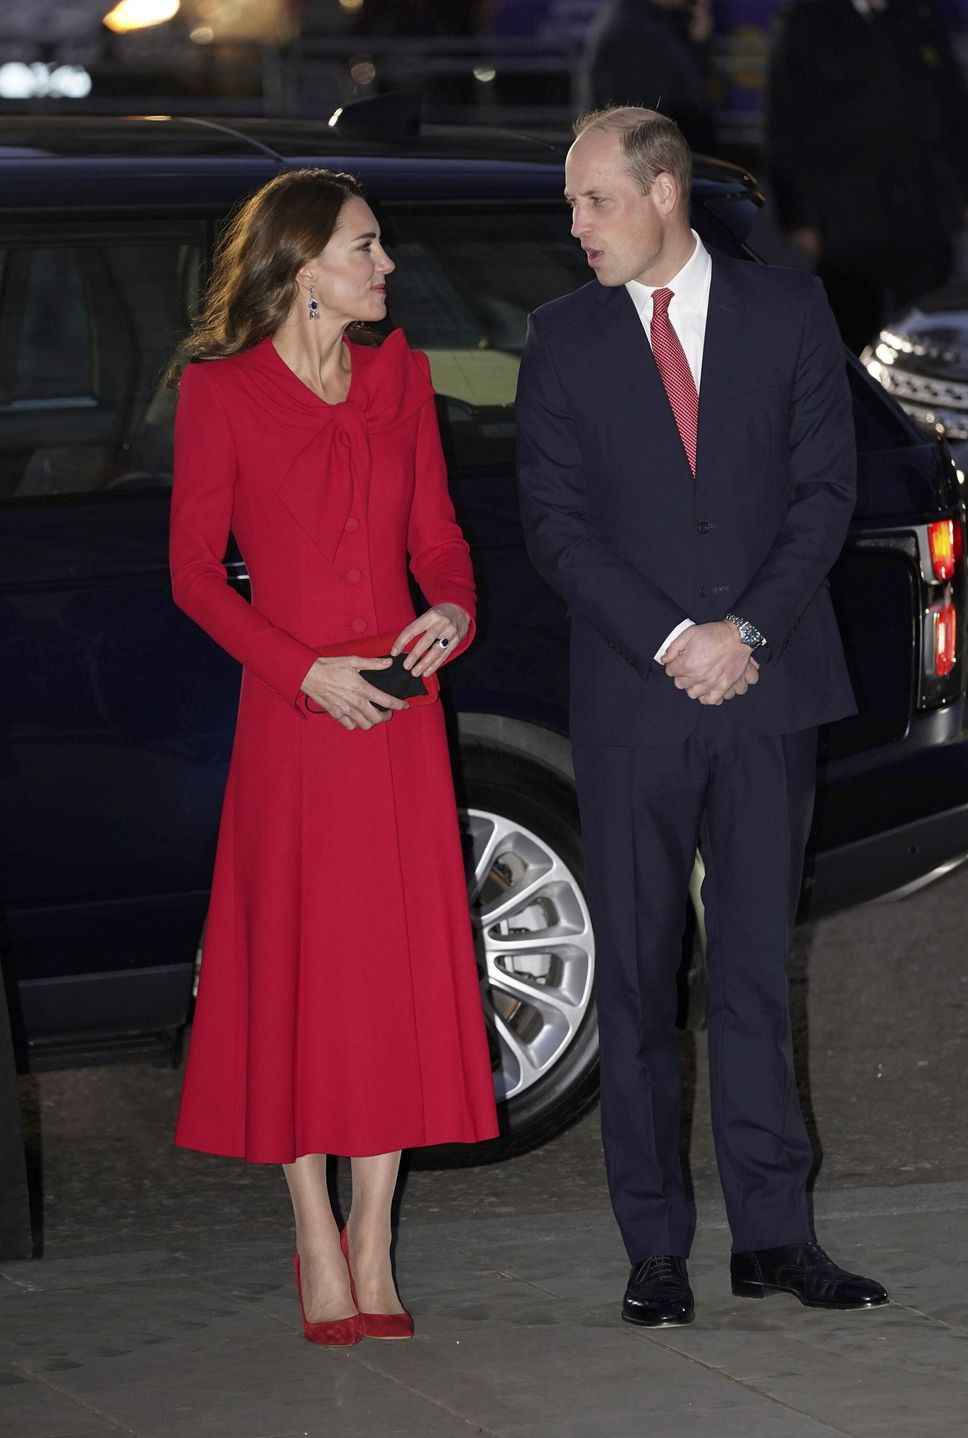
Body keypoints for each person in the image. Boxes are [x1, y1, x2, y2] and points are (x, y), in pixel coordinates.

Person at [515, 106, 888, 1326]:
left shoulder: (787, 312)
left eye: (594, 202)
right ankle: (655, 1247)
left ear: (665, 191)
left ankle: (776, 1237)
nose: (576, 226)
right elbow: (557, 529)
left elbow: (827, 494)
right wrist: (678, 640)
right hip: (634, 702)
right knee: (632, 982)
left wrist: (750, 634)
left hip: (770, 689)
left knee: (752, 979)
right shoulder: (561, 338)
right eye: (573, 207)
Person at [168, 168, 498, 1346]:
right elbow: (195, 574)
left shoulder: (400, 377)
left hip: (401, 716)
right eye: (365, 248)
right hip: (295, 712)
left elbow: (441, 544)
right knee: (298, 974)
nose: (385, 266)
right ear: (304, 267)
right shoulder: (221, 393)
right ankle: (313, 1233)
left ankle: (375, 1236)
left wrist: (450, 615)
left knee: (390, 975)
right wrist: (300, 668)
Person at [766, 0, 968, 353]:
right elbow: (786, 125)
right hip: (846, 217)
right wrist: (797, 215)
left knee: (928, 335)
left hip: (921, 208)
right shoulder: (811, 20)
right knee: (850, 339)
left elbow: (953, 105)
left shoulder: (919, 15)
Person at [582, 0, 716, 156]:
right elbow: (641, 125)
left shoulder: (662, 22)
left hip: (676, 163)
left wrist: (698, 42)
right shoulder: (631, 31)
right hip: (650, 167)